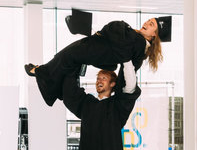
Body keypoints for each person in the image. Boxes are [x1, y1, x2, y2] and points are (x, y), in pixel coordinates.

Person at [25, 15, 171, 106]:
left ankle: (41, 73)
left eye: (151, 24)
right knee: (65, 58)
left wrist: (117, 27)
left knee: (65, 57)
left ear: (154, 35)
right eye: (149, 20)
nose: (146, 22)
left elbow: (125, 59)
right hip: (98, 49)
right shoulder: (140, 44)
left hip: (96, 50)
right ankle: (45, 75)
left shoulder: (139, 43)